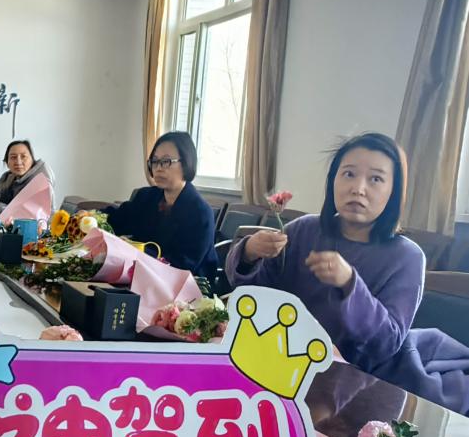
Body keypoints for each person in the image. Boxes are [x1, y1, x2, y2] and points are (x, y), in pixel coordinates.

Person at [227, 132, 469, 413]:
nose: (358, 188)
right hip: (279, 368)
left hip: (356, 389)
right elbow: (257, 298)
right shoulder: (302, 230)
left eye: (375, 179)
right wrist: (249, 253)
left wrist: (350, 284)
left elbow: (386, 344)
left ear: (394, 192)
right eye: (349, 174)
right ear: (334, 180)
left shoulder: (407, 257)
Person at [106, 131, 218, 278]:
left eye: (166, 161)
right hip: (142, 274)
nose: (158, 168)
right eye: (154, 161)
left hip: (187, 285)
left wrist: (135, 250)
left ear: (186, 163)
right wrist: (90, 218)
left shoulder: (200, 213)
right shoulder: (146, 197)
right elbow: (117, 219)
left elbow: (183, 265)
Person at [0, 140, 55, 222]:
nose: (18, 162)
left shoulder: (41, 181)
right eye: (13, 157)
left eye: (23, 156)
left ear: (32, 160)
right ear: (7, 163)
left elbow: (21, 216)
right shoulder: (12, 178)